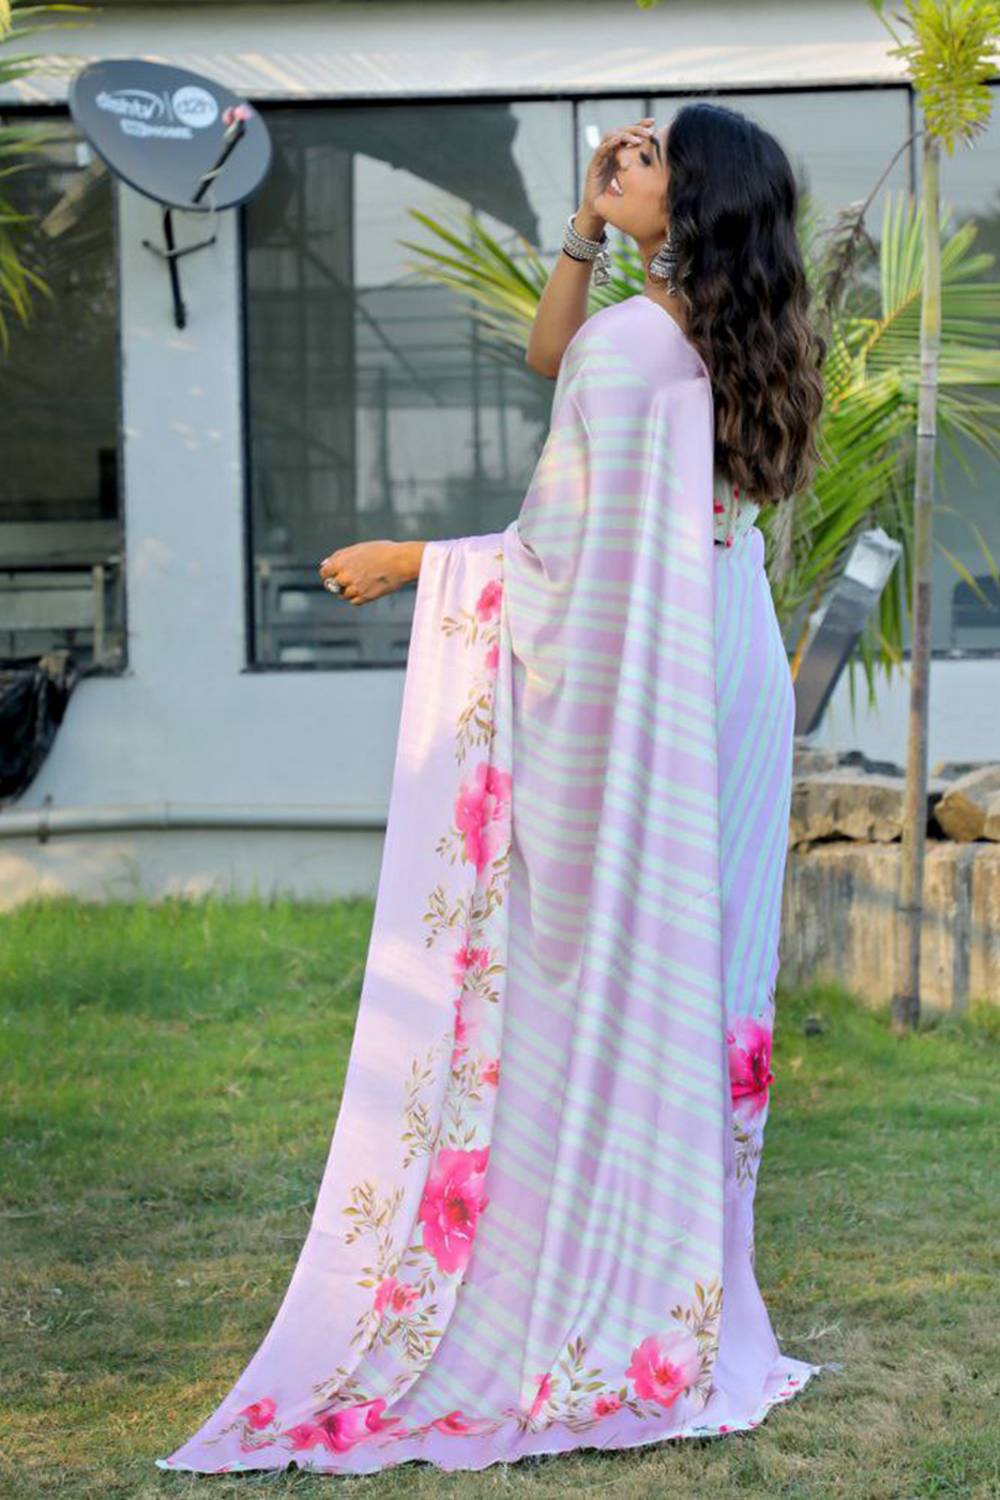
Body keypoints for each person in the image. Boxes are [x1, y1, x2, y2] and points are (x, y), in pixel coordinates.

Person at [156, 103, 832, 1480]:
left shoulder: (638, 346)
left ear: (694, 197)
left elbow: (556, 550)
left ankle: (613, 1283)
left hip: (653, 666)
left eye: (650, 155)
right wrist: (585, 225)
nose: (626, 158)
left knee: (614, 965)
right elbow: (552, 360)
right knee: (701, 968)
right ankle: (682, 1292)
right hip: (727, 656)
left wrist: (414, 561)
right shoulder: (729, 334)